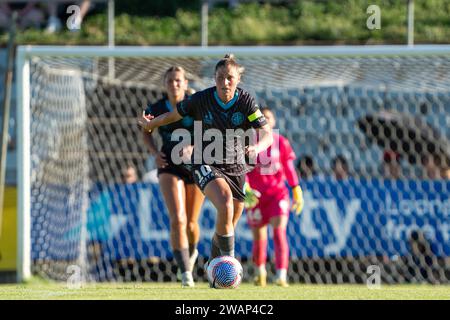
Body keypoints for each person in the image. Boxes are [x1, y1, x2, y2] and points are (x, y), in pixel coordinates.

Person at [138, 54, 273, 288]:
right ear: (215, 79)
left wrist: (257, 146)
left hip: (236, 167)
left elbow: (267, 133)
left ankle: (214, 268)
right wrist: (152, 124)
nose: (225, 82)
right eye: (221, 77)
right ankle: (229, 265)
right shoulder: (201, 99)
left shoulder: (246, 102)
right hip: (205, 163)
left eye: (230, 78)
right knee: (224, 201)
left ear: (238, 79)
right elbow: (173, 115)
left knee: (229, 220)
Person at [141, 66, 205, 288]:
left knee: (191, 222)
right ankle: (185, 271)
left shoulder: (195, 104)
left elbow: (208, 130)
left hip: (195, 166)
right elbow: (145, 131)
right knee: (177, 219)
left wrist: (195, 146)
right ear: (165, 84)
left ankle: (193, 250)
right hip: (169, 165)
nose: (174, 84)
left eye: (178, 80)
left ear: (186, 83)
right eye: (170, 81)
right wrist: (155, 153)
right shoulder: (155, 108)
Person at [244, 107, 304, 287]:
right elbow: (242, 169)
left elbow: (289, 168)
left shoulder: (281, 142)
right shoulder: (249, 143)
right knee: (259, 237)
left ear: (274, 122)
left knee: (279, 233)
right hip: (255, 196)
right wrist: (245, 187)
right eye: (263, 118)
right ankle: (260, 271)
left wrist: (296, 189)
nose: (266, 121)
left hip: (278, 194)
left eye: (268, 118)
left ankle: (281, 275)